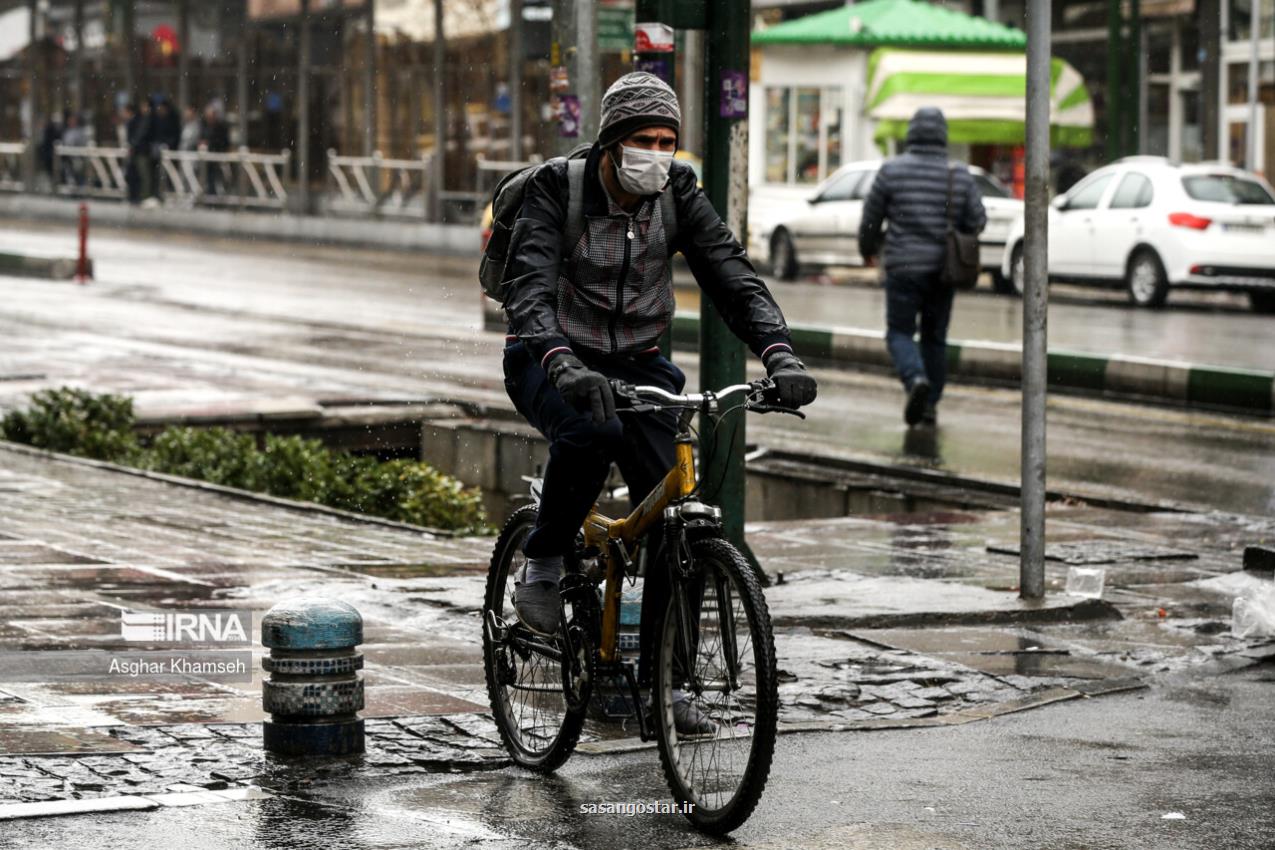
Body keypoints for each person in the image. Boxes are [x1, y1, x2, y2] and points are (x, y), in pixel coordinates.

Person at [500, 71, 817, 729]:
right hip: (548, 356)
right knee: (590, 434)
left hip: (639, 366)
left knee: (679, 508)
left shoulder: (676, 193)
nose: (657, 151)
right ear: (612, 142)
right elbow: (527, 290)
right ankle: (545, 554)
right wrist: (560, 363)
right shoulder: (556, 189)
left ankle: (667, 685)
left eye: (667, 139)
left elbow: (733, 277)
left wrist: (778, 351)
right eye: (643, 138)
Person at [858, 106, 985, 428]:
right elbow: (977, 220)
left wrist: (867, 249)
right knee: (935, 338)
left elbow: (871, 219)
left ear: (911, 134)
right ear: (943, 136)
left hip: (902, 267)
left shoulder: (891, 171)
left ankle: (915, 379)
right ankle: (929, 405)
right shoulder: (959, 174)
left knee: (899, 332)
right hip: (943, 270)